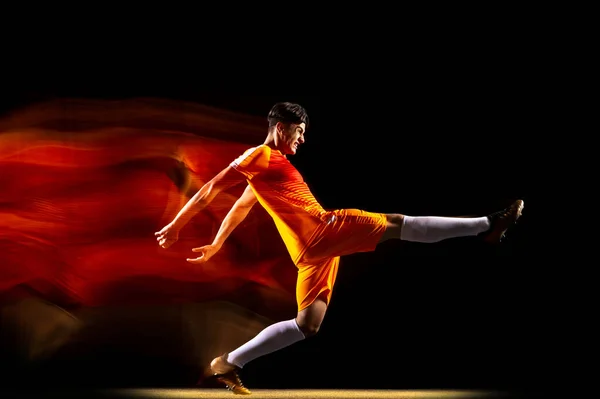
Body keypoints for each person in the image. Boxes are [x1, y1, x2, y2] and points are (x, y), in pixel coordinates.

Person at [155, 102, 524, 395]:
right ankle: (488, 225)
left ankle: (227, 362)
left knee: (307, 325)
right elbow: (211, 189)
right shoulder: (259, 156)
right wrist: (175, 227)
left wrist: (217, 242)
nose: (302, 140)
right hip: (323, 230)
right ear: (281, 128)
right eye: (298, 132)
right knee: (395, 223)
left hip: (313, 252)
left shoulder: (268, 169)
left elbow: (240, 206)